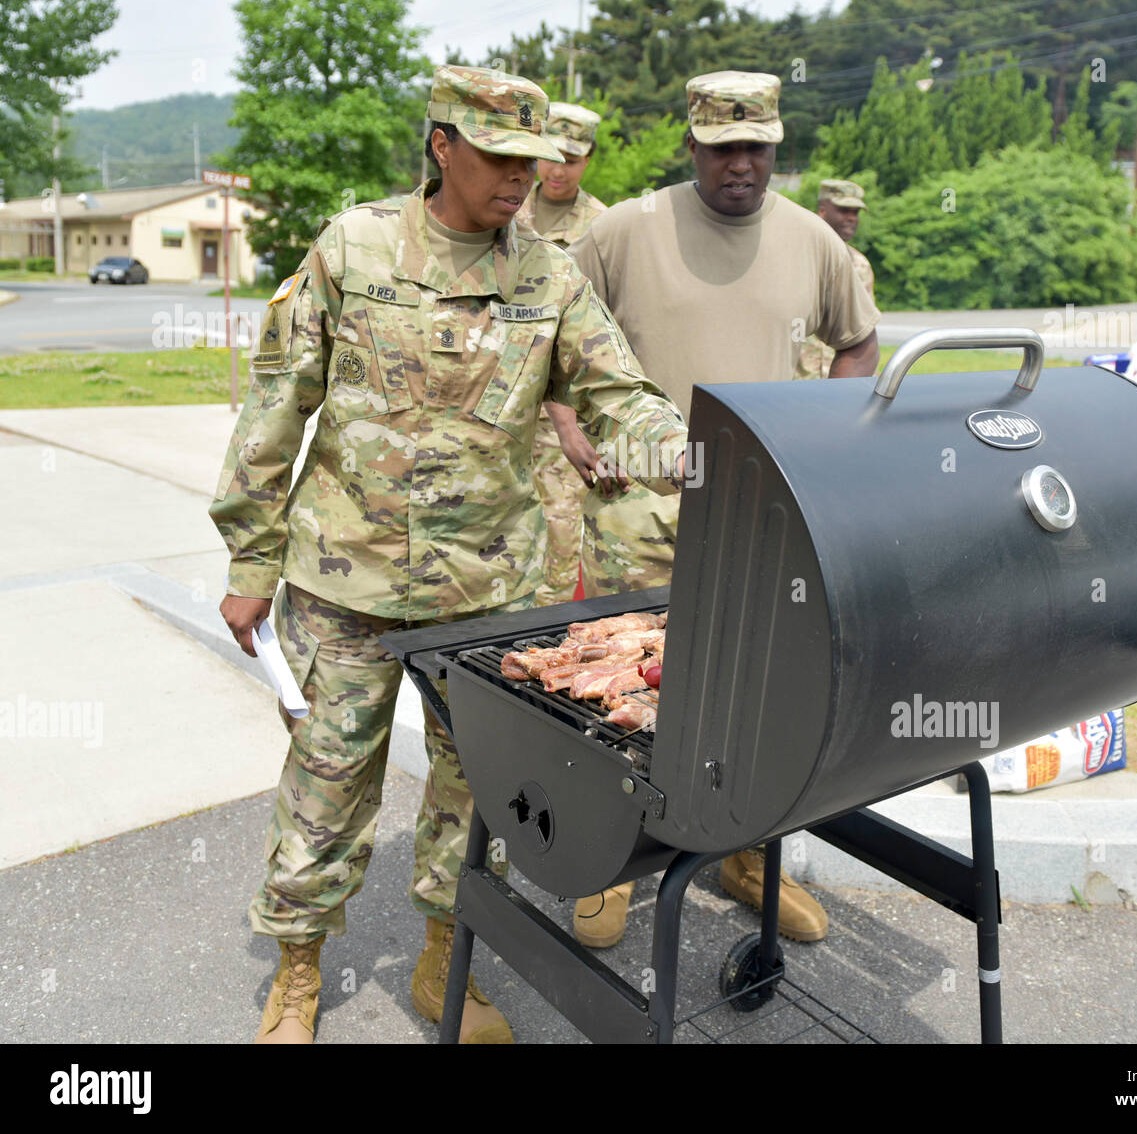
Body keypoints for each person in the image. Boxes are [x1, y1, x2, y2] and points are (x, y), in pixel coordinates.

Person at [210, 66, 687, 1045]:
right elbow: (275, 404)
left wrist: (691, 449)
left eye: (536, 161)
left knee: (480, 787)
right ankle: (298, 971)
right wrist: (250, 562)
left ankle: (446, 960)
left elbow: (617, 396)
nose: (521, 177)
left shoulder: (548, 275)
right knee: (328, 776)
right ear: (442, 145)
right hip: (348, 582)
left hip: (488, 596)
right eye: (501, 157)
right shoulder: (356, 246)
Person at [548, 70, 881, 949]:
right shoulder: (625, 231)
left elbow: (858, 344)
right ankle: (608, 867)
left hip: (764, 516)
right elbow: (549, 333)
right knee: (620, 691)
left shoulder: (816, 243)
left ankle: (746, 858)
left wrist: (829, 441)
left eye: (758, 148)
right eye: (723, 147)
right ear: (691, 144)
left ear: (778, 147)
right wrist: (570, 428)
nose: (741, 164)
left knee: (760, 695)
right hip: (636, 512)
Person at [513, 102, 609, 604]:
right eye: (551, 155)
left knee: (558, 545)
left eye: (572, 158)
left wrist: (573, 424)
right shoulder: (505, 208)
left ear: (588, 159)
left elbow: (601, 333)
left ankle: (535, 659)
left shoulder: (603, 227)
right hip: (501, 405)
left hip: (561, 421)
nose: (558, 169)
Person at [796, 178, 878, 379]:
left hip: (843, 384)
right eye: (844, 210)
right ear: (822, 211)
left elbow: (863, 333)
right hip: (794, 385)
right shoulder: (795, 256)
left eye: (855, 212)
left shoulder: (860, 265)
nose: (851, 218)